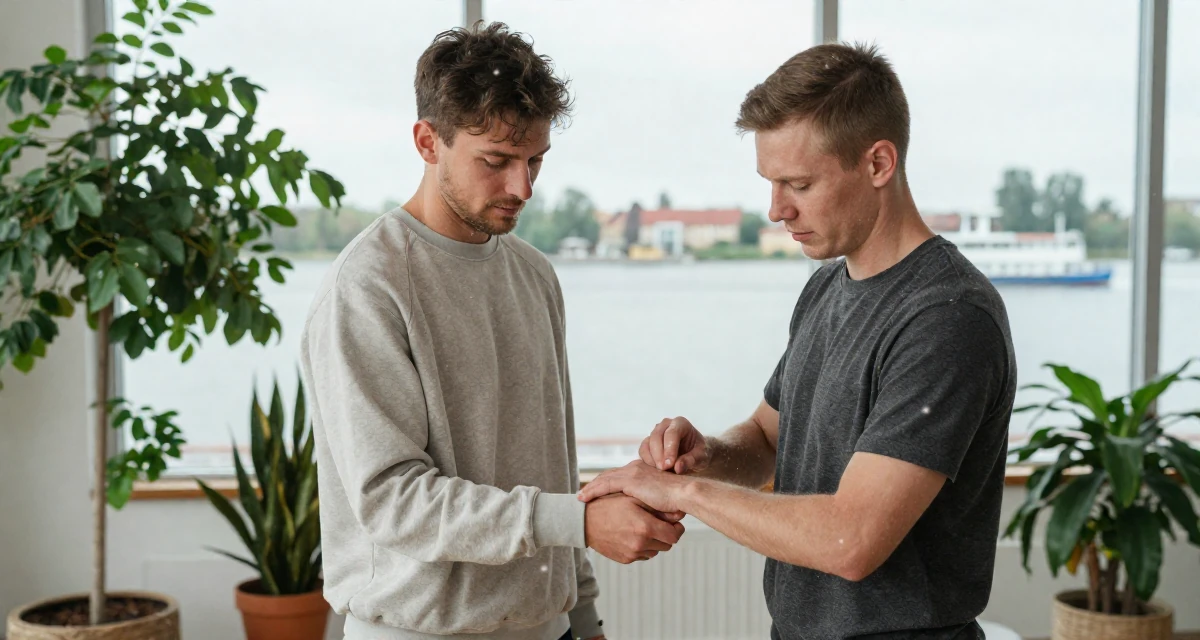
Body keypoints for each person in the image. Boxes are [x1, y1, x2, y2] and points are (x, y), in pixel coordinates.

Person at [579, 42, 1017, 640]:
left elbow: (851, 539)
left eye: (799, 184)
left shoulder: (947, 317)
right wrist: (705, 453)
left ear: (879, 164)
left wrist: (681, 489)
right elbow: (765, 437)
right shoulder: (827, 289)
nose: (776, 209)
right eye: (771, 183)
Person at [300, 22, 685, 640]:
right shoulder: (367, 288)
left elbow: (552, 463)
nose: (522, 188)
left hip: (550, 626)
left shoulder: (533, 275)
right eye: (497, 161)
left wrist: (583, 620)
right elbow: (393, 500)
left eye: (535, 160)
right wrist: (580, 523)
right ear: (428, 141)